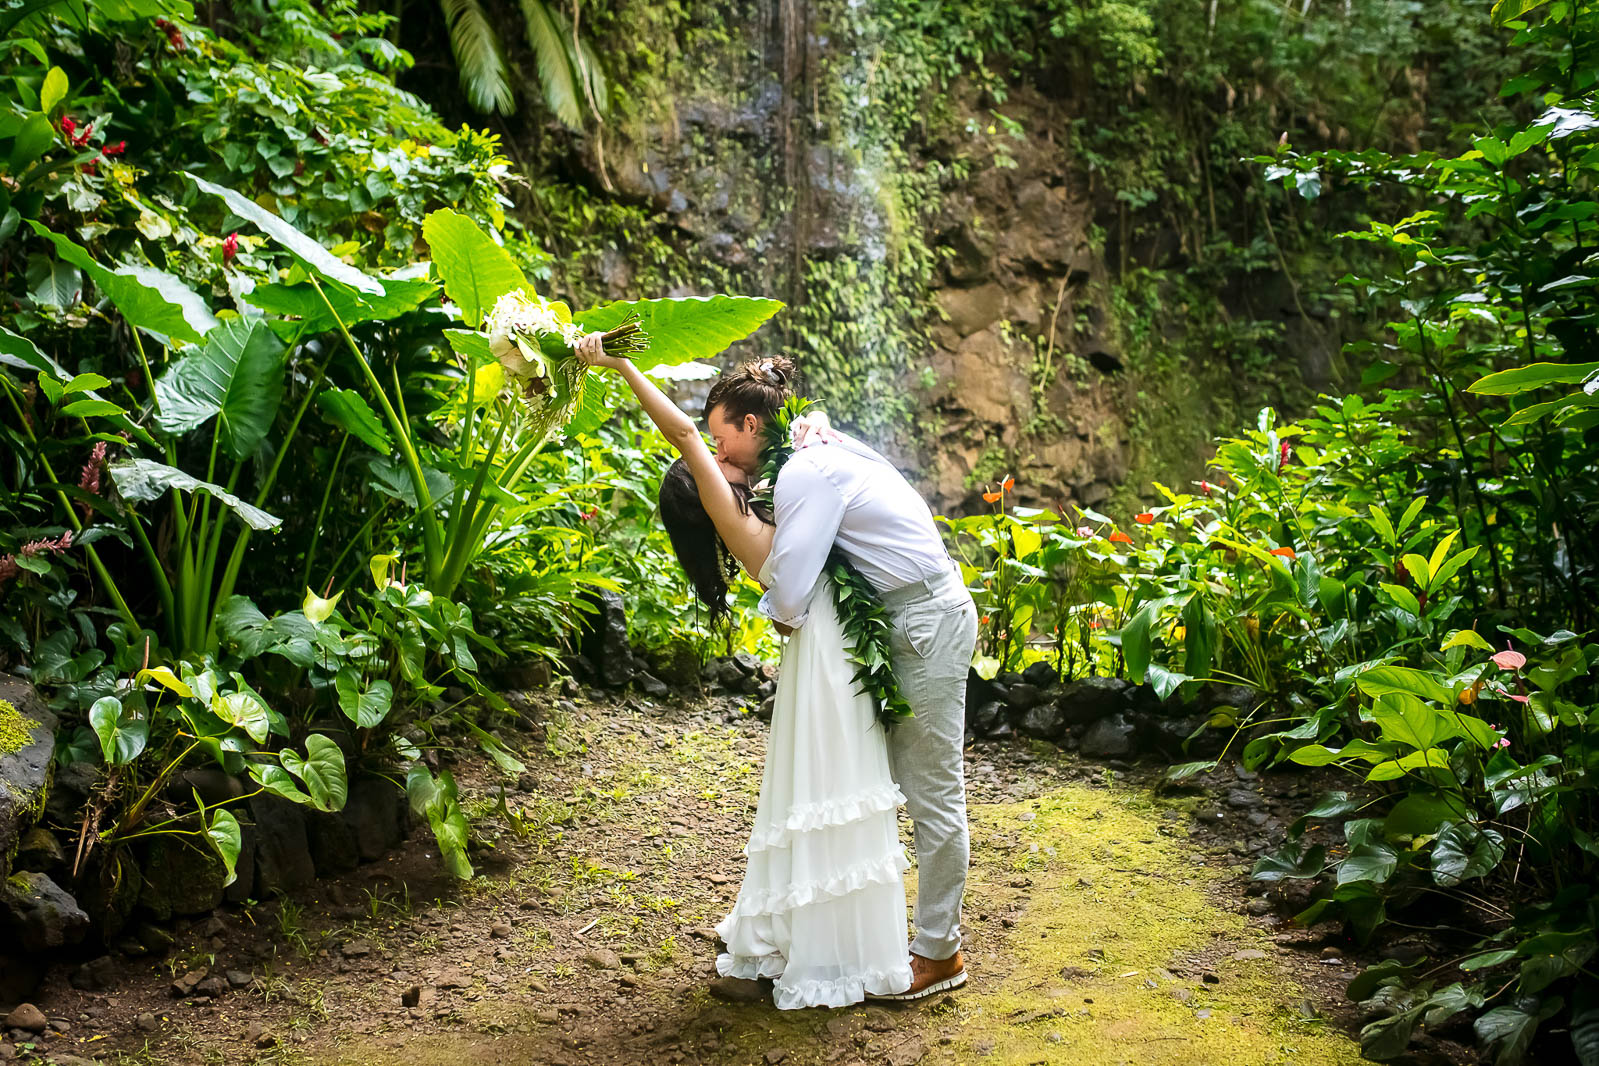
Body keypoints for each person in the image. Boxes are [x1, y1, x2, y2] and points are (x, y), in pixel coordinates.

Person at [575, 335, 913, 1010]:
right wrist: (619, 365)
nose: (719, 453)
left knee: (821, 780)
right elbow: (679, 431)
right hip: (822, 641)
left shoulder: (764, 491)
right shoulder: (717, 496)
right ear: (700, 486)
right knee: (827, 779)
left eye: (721, 444)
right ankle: (827, 948)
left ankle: (806, 934)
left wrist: (813, 429)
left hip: (826, 636)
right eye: (712, 456)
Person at [699, 355, 979, 1002]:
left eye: (721, 438)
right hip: (898, 617)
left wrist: (777, 606)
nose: (717, 452)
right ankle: (838, 935)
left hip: (923, 620)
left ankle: (940, 954)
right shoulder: (809, 449)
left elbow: (791, 591)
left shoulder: (806, 469)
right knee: (878, 784)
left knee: (932, 791)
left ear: (750, 424)